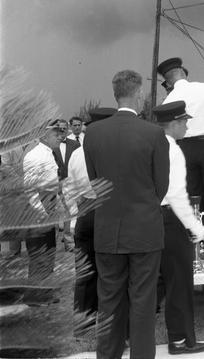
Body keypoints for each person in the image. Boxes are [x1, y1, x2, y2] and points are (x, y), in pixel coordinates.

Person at [83, 70, 170, 359]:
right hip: (144, 229)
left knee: (108, 302)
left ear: (115, 94)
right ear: (139, 95)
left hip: (107, 229)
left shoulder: (93, 133)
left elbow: (95, 181)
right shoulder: (154, 133)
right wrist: (143, 206)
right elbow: (161, 186)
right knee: (143, 303)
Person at [153, 101, 204, 355]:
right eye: (184, 121)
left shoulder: (152, 145)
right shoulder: (173, 150)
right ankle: (180, 340)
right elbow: (177, 195)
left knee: (156, 284)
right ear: (174, 123)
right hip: (171, 220)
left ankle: (124, 334)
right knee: (179, 283)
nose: (187, 125)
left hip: (152, 219)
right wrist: (195, 227)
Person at [158, 57, 204, 232]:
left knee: (190, 195)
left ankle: (193, 236)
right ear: (182, 72)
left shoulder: (170, 99)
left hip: (185, 148)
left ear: (167, 80)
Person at [66, 107, 117, 337]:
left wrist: (75, 216)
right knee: (110, 271)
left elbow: (69, 188)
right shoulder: (114, 149)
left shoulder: (77, 152)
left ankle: (82, 325)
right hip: (107, 209)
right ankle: (109, 323)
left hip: (85, 210)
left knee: (85, 272)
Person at [22, 119, 65, 304]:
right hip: (38, 211)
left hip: (49, 205)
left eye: (60, 134)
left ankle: (45, 293)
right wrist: (42, 214)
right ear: (44, 136)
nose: (60, 137)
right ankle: (34, 297)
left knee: (49, 252)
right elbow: (30, 191)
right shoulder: (34, 155)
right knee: (39, 253)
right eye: (56, 135)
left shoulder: (49, 153)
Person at [54, 119, 80, 252]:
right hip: (56, 182)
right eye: (60, 128)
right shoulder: (52, 144)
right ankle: (52, 244)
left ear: (67, 128)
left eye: (64, 128)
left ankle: (69, 243)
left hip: (71, 183)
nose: (62, 130)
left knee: (70, 213)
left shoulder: (75, 144)